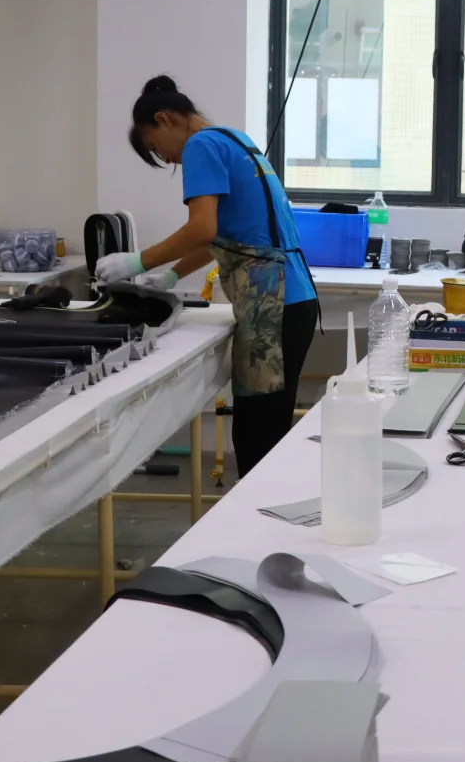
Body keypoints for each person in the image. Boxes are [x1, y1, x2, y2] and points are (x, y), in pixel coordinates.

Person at [99, 75, 320, 475]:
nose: (166, 160)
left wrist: (138, 262)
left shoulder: (200, 145)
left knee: (257, 438)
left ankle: (258, 530)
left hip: (274, 306)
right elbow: (222, 235)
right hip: (295, 299)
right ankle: (264, 524)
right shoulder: (234, 139)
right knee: (266, 430)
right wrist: (171, 276)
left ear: (164, 120)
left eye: (154, 147)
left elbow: (200, 229)